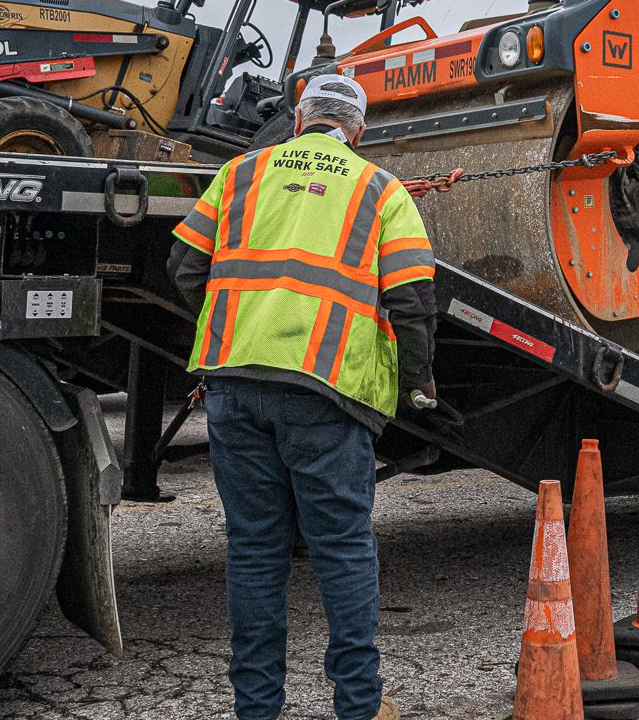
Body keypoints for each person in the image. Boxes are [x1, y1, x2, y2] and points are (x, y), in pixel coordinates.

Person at [167, 72, 439, 720]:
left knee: (254, 548)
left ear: (297, 119)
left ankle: (257, 708)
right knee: (341, 547)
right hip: (326, 392)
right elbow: (412, 300)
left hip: (234, 385)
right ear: (358, 131)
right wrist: (417, 381)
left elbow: (182, 267)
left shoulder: (239, 173)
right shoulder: (380, 188)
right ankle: (359, 706)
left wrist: (234, 328)